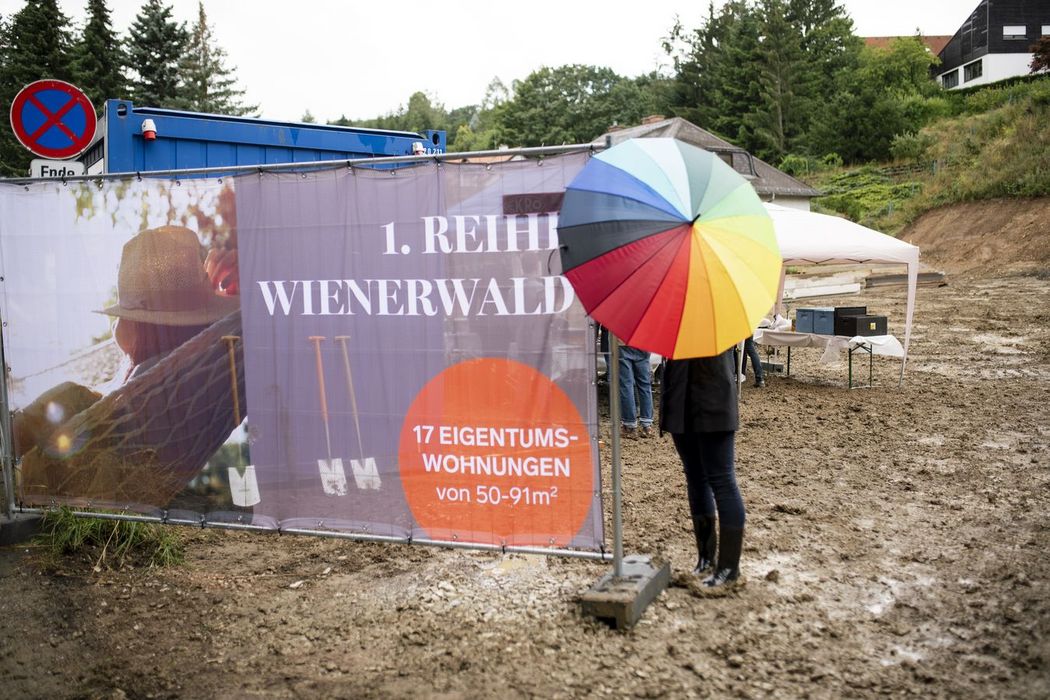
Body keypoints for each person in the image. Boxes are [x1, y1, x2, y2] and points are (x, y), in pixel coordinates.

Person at [660, 348, 745, 587]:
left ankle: (729, 568)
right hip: (679, 398)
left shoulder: (720, 314)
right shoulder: (673, 313)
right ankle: (706, 557)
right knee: (695, 478)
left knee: (721, 480)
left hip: (713, 396)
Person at [619, 343, 654, 438]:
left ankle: (629, 426)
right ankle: (647, 426)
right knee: (645, 385)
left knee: (626, 386)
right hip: (643, 342)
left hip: (621, 344)